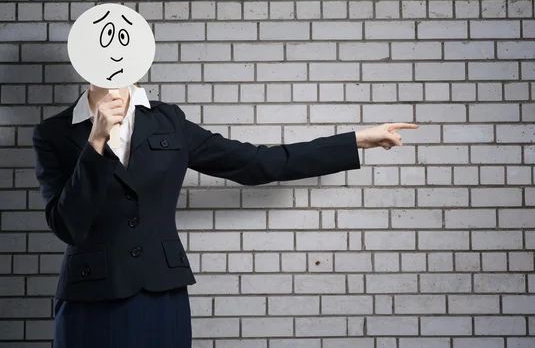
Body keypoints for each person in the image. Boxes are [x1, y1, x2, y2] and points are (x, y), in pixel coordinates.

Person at [32, 82, 419, 348]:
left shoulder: (169, 121)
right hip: (90, 295)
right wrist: (97, 141)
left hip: (159, 293)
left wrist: (355, 140)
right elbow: (67, 224)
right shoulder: (52, 134)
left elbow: (256, 162)